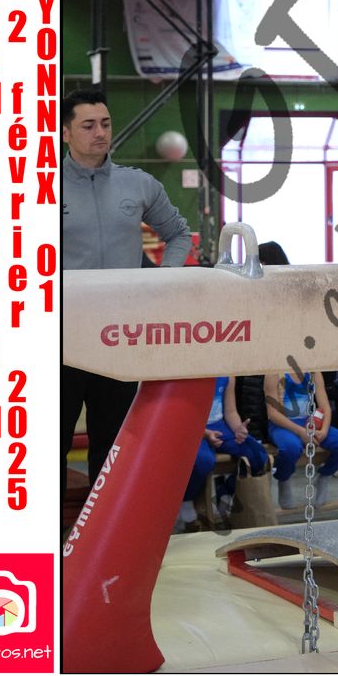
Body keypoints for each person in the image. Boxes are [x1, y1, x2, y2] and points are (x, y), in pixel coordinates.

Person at [61, 87, 193, 489]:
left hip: (119, 337)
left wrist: (163, 278)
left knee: (111, 446)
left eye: (105, 123)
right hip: (63, 337)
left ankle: (103, 531)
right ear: (65, 132)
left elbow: (179, 234)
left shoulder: (137, 184)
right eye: (88, 125)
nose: (100, 132)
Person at [178, 376, 268, 532]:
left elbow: (230, 411)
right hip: (193, 427)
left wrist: (238, 429)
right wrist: (205, 433)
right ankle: (186, 500)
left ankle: (225, 490)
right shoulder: (189, 375)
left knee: (258, 454)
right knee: (204, 462)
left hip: (220, 426)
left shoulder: (227, 375)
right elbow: (183, 414)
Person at [263, 367, 338, 509]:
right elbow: (273, 414)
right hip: (283, 425)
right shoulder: (273, 373)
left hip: (308, 422)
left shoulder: (313, 372)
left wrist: (324, 430)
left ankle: (324, 477)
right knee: (291, 448)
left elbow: (325, 407)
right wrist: (300, 432)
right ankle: (283, 479)